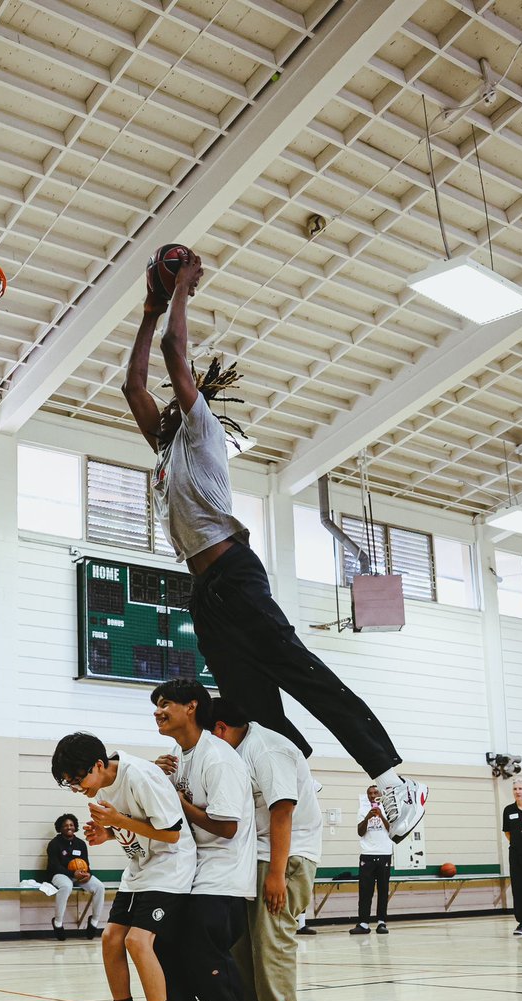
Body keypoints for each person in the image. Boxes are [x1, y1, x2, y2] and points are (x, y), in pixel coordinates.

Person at [121, 248, 427, 842]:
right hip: (204, 589)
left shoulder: (201, 433)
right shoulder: (162, 456)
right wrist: (148, 309)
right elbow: (133, 381)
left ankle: (390, 774)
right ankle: (292, 775)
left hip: (235, 573)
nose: (151, 408)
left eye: (169, 402)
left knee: (300, 672)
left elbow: (170, 358)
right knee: (243, 702)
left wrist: (180, 289)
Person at [51, 732, 196, 1001]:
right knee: (111, 939)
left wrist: (117, 822)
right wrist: (109, 834)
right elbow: (137, 823)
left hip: (170, 867)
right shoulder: (102, 782)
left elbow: (172, 832)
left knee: (137, 941)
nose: (77, 788)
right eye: (69, 784)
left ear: (99, 765)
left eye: (77, 780)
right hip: (139, 869)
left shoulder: (141, 775)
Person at [209, 696, 323, 1001]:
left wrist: (277, 874)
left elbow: (283, 811)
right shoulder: (236, 750)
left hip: (283, 858)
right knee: (246, 947)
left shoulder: (268, 749)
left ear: (221, 729)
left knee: (272, 944)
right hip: (252, 857)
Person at [151, 679, 256, 1001]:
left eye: (165, 704)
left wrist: (178, 800)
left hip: (222, 879)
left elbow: (227, 825)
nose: (158, 712)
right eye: (156, 705)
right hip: (187, 876)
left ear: (191, 706)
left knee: (204, 956)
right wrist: (158, 781)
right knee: (160, 946)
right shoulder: (180, 757)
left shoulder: (219, 757)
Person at [46, 813, 106, 939]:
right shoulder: (54, 844)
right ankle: (58, 923)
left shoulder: (80, 844)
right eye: (66, 825)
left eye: (71, 825)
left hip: (78, 875)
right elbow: (54, 865)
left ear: (75, 827)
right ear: (60, 828)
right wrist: (72, 873)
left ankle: (94, 922)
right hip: (59, 874)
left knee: (99, 887)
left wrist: (88, 874)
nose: (69, 827)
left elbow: (87, 864)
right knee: (67, 886)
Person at [350, 784, 393, 936]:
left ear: (380, 794)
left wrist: (381, 815)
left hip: (384, 853)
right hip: (367, 854)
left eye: (375, 792)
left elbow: (392, 831)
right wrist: (368, 817)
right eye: (370, 793)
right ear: (367, 796)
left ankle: (381, 922)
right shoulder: (362, 810)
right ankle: (363, 923)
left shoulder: (389, 809)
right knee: (365, 890)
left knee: (383, 889)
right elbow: (360, 832)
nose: (373, 795)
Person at [503, 776, 522, 936]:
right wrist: (519, 845)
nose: (517, 791)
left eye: (520, 788)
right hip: (516, 857)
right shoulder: (508, 810)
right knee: (518, 890)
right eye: (515, 789)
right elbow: (508, 832)